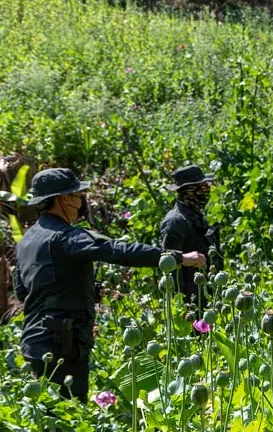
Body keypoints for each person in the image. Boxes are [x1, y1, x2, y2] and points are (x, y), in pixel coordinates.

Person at [13, 168, 205, 401]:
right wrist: (177, 257)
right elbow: (116, 250)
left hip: (35, 341)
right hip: (61, 344)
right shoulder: (65, 236)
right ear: (63, 199)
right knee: (68, 417)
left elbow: (24, 291)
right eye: (78, 196)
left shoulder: (26, 241)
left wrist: (80, 294)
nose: (82, 201)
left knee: (47, 417)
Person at [160, 164, 220, 310]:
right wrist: (180, 307)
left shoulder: (195, 213)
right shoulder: (175, 222)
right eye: (200, 188)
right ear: (187, 191)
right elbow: (170, 267)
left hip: (205, 292)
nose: (206, 191)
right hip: (191, 301)